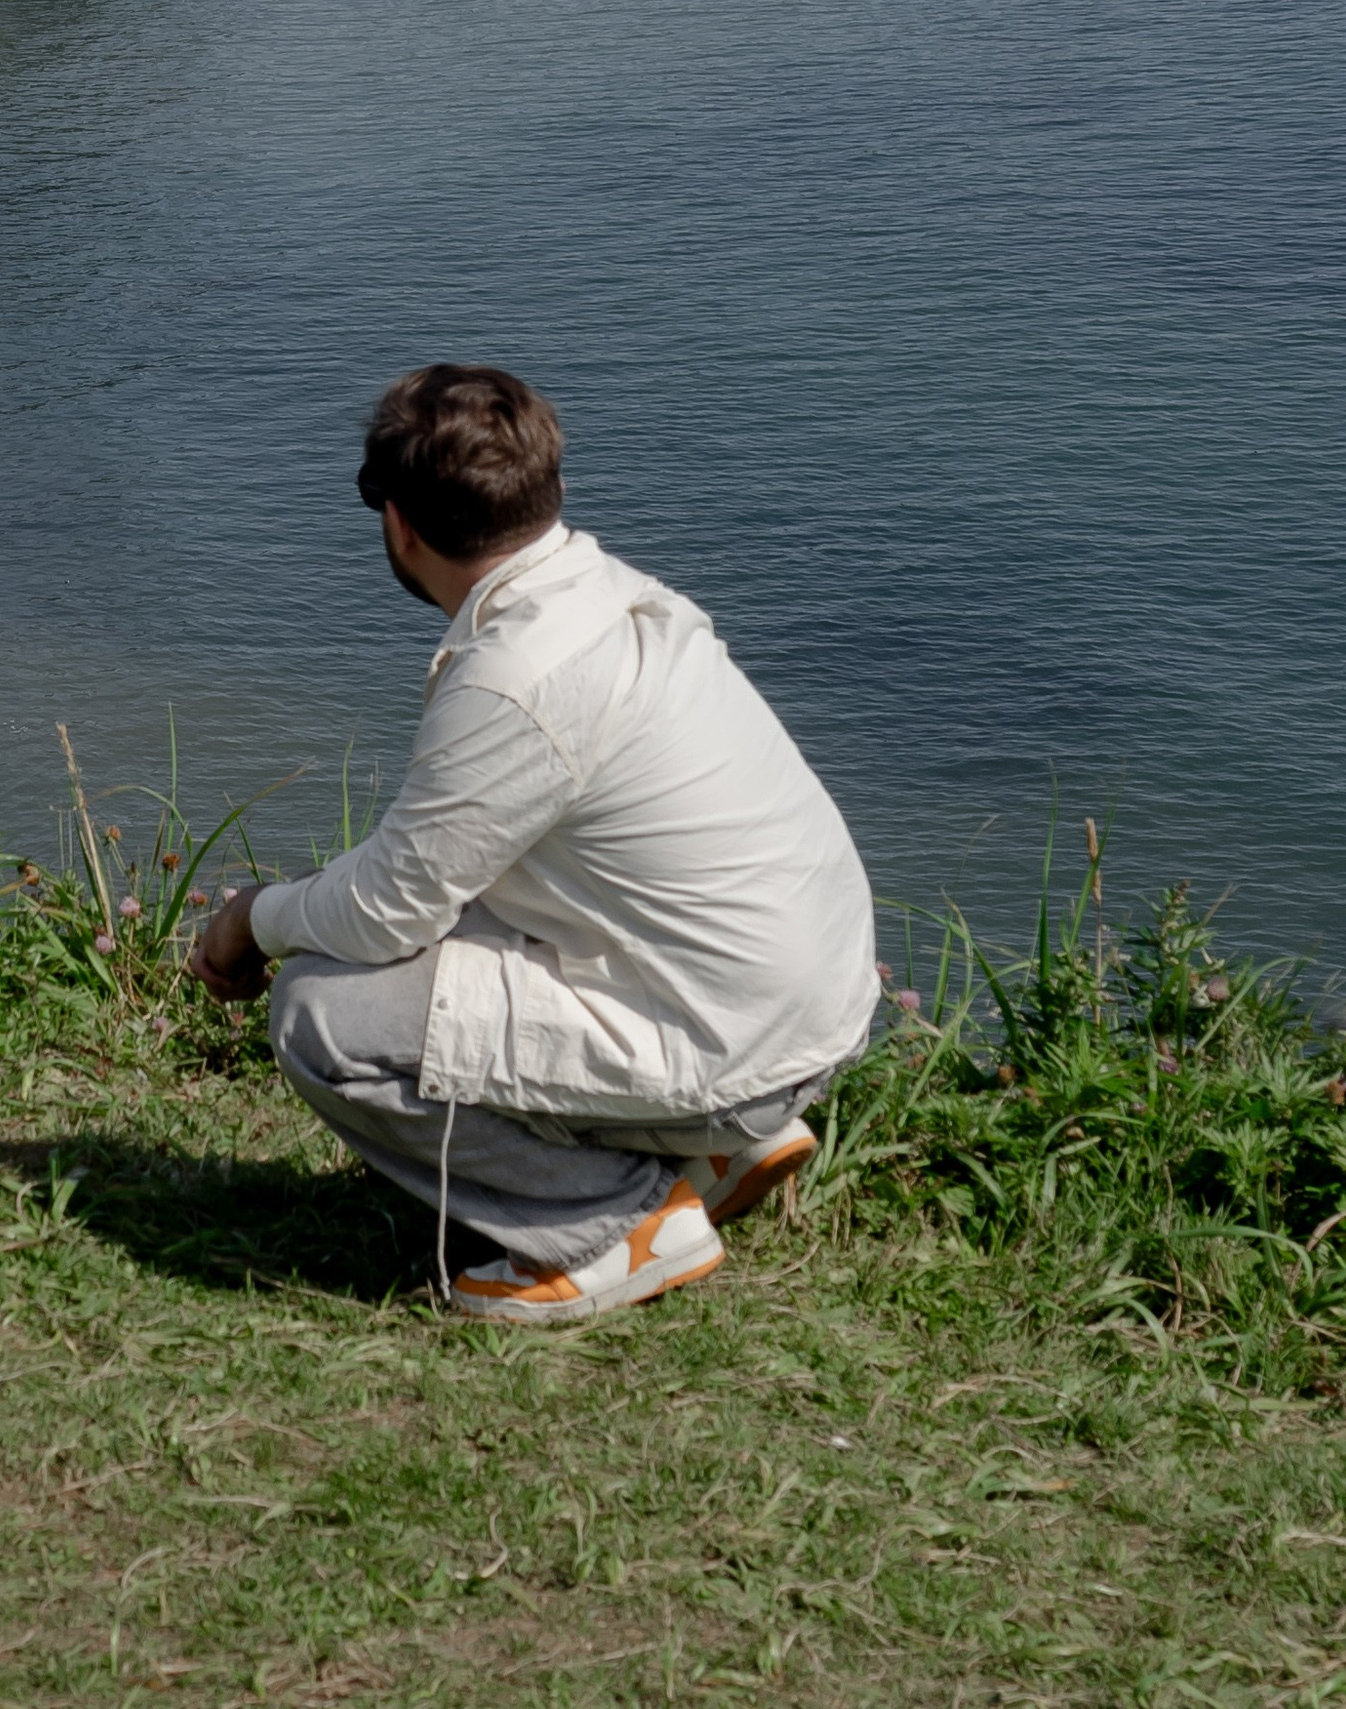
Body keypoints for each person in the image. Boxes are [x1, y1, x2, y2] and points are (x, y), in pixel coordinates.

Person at [189, 364, 877, 1325]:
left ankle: (611, 1226)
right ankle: (709, 1150)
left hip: (738, 1048)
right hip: (803, 1011)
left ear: (399, 524)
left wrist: (249, 921)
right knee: (452, 925)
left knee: (322, 1013)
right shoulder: (613, 596)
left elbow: (388, 911)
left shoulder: (515, 677)